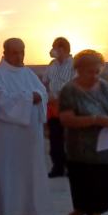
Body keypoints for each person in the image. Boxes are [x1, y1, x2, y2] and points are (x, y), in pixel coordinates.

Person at [0, 38, 60, 215]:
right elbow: (0, 100)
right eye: (15, 52)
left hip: (30, 137)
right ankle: (11, 213)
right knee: (10, 173)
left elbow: (43, 92)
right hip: (8, 137)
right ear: (5, 53)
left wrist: (36, 97)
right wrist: (29, 98)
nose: (20, 56)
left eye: (22, 52)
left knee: (33, 172)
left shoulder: (27, 73)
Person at [58, 50, 108, 215]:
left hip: (106, 150)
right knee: (92, 195)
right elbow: (66, 119)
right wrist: (94, 120)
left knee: (103, 193)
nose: (94, 76)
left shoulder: (104, 87)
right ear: (78, 70)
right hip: (82, 152)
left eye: (97, 71)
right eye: (90, 72)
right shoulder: (69, 90)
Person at [43, 36, 74, 178]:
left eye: (56, 48)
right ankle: (58, 167)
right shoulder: (52, 65)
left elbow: (75, 85)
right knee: (55, 139)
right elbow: (45, 81)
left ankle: (71, 167)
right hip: (53, 108)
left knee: (70, 139)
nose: (53, 51)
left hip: (69, 107)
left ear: (62, 49)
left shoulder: (74, 65)